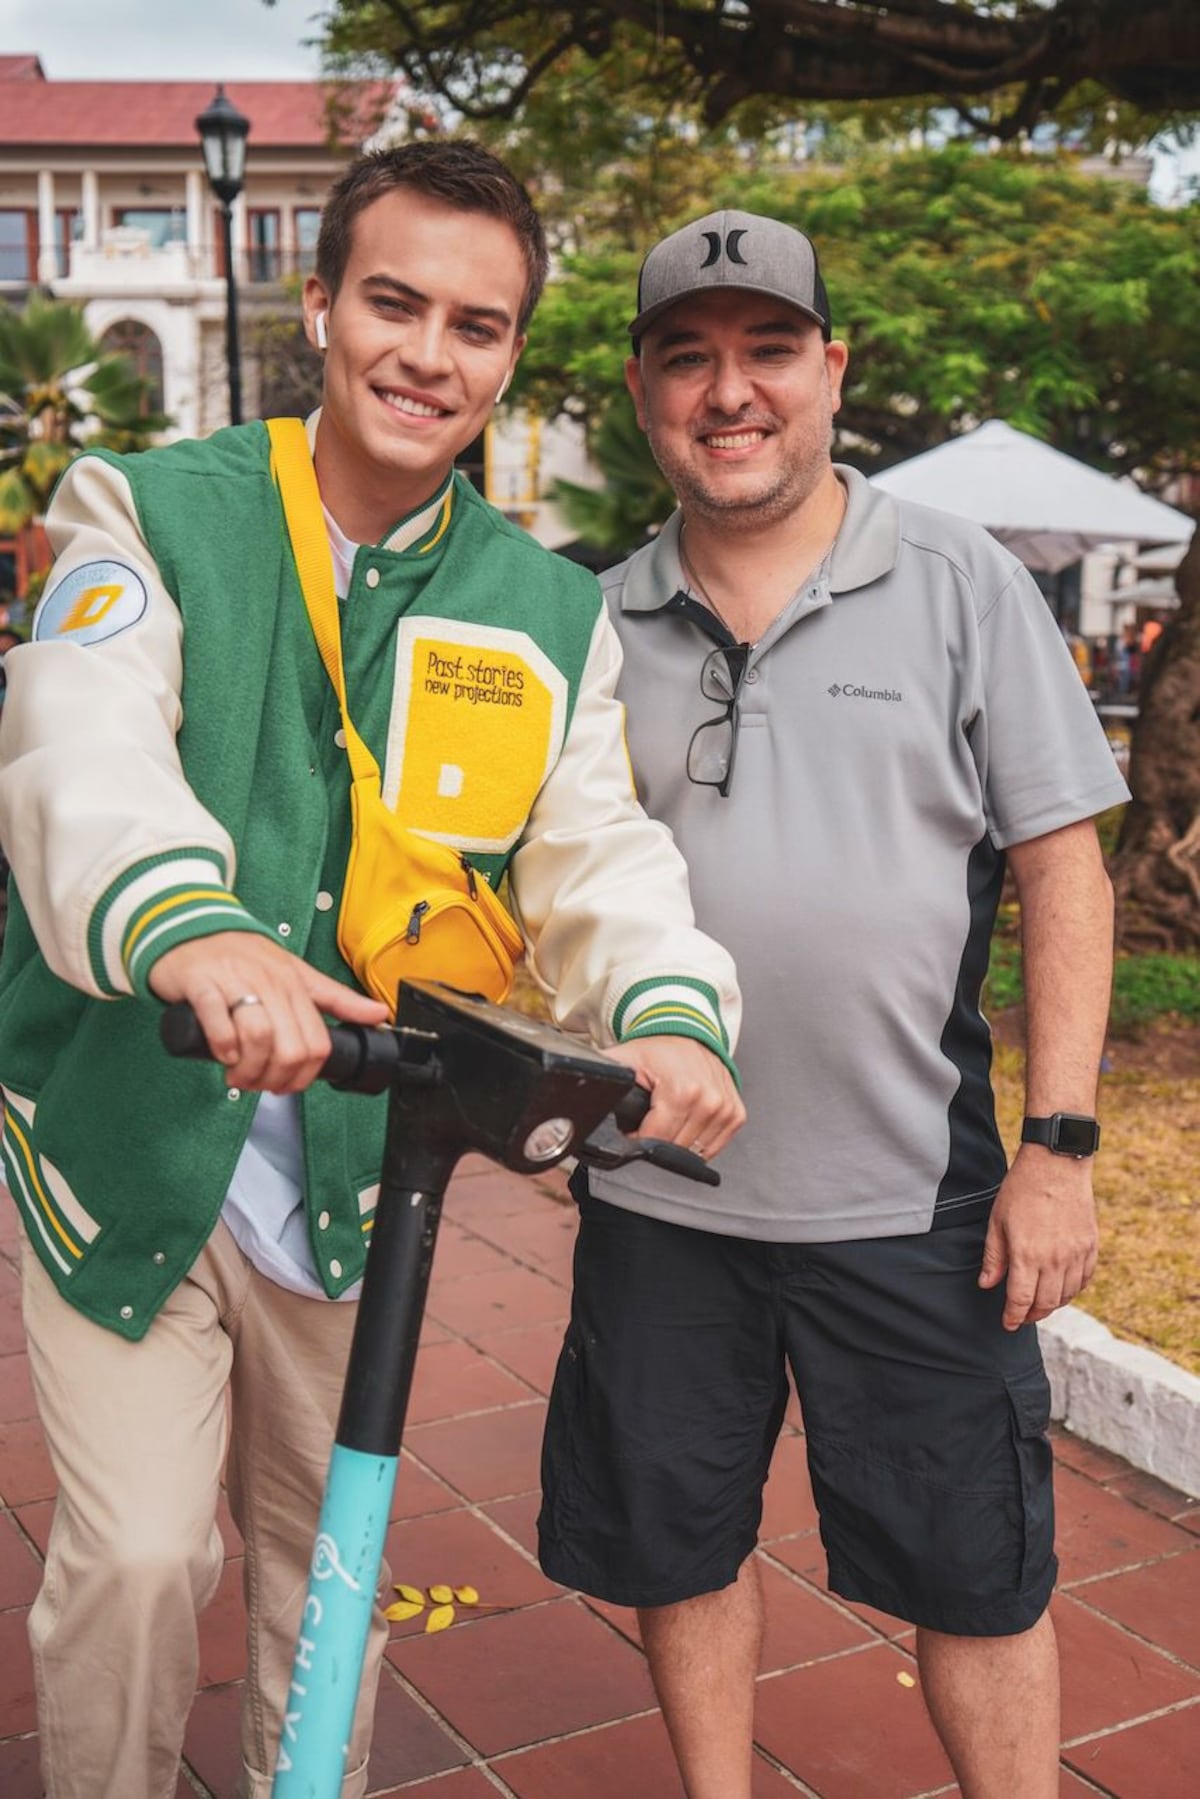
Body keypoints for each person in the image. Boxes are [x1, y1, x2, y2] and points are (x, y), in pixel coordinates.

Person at [0, 143, 744, 1799]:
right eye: (394, 303)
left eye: (477, 327)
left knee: (319, 1586)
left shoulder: (543, 609)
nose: (429, 355)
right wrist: (187, 926)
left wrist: (669, 1011)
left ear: (510, 358)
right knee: (131, 1565)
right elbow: (79, 733)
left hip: (357, 1177)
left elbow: (594, 852)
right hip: (132, 1142)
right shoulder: (149, 505)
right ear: (320, 303)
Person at [537, 209, 1131, 1799]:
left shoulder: (962, 584)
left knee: (977, 1573)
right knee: (675, 1547)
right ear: (644, 394)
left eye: (767, 350)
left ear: (831, 370)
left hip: (914, 1197)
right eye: (688, 358)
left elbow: (1066, 872)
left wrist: (1058, 1149)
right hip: (661, 1195)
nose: (730, 392)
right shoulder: (584, 620)